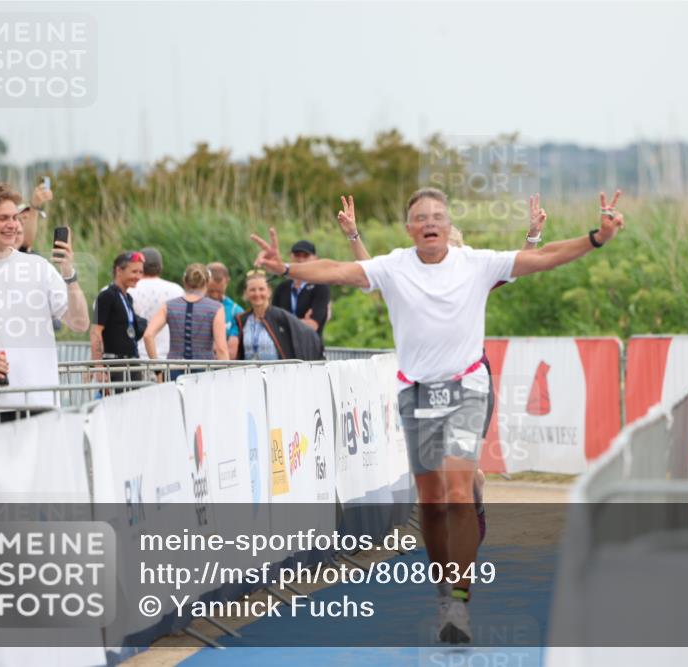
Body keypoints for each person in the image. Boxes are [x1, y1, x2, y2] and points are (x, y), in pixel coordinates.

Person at [252, 186, 625, 644]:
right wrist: (286, 268)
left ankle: (460, 601)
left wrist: (596, 238)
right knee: (430, 502)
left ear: (449, 226)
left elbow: (543, 258)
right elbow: (338, 270)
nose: (429, 222)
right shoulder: (393, 266)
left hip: (467, 386)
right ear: (409, 228)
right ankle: (444, 592)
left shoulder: (477, 263)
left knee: (457, 491)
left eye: (437, 216)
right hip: (417, 392)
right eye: (421, 217)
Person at [335, 194, 549, 544]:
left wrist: (533, 234)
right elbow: (369, 275)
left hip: (470, 384)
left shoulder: (472, 276)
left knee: (461, 472)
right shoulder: (409, 278)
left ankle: (470, 511)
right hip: (424, 387)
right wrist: (353, 236)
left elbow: (520, 266)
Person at [0, 182, 88, 428]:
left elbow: (80, 324)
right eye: (3, 218)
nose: (13, 224)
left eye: (15, 217)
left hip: (43, 403)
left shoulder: (39, 267)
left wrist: (69, 274)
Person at [235, 270, 323, 361]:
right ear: (246, 293)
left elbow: (307, 335)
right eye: (252, 290)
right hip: (250, 369)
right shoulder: (242, 320)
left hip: (277, 369)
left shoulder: (281, 317)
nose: (257, 294)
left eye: (261, 289)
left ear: (269, 291)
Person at [91, 252, 146, 391]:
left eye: (141, 272)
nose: (138, 277)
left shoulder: (128, 298)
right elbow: (96, 332)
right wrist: (99, 367)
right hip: (115, 365)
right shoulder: (106, 296)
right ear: (119, 270)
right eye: (134, 271)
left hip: (132, 363)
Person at [128, 247, 185, 360]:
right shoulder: (176, 290)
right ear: (161, 267)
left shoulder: (129, 289)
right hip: (168, 357)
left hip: (135, 358)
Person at [271, 240, 331, 336]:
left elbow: (312, 325)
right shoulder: (282, 288)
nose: (301, 260)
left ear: (315, 259)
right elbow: (273, 321)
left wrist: (284, 323)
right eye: (297, 255)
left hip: (309, 343)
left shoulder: (320, 286)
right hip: (283, 344)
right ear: (291, 257)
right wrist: (302, 322)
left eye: (306, 256)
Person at [207, 262, 244, 359]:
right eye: (211, 291)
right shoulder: (194, 306)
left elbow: (231, 353)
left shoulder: (236, 311)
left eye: (219, 291)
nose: (215, 295)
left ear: (227, 282)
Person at [15, 180, 52, 254]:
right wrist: (35, 205)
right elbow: (25, 242)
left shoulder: (37, 256)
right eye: (24, 216)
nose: (28, 217)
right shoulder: (11, 248)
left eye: (34, 219)